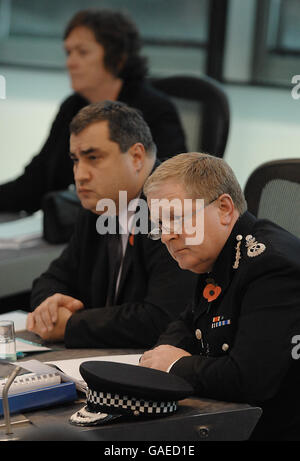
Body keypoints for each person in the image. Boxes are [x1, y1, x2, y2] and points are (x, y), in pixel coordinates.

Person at [139, 152, 300, 441]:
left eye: (176, 219)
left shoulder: (271, 265)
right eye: (160, 225)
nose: (166, 236)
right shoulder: (218, 256)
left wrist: (174, 365)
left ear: (224, 209)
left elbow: (250, 379)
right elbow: (187, 323)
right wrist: (160, 357)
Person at [26, 101, 197, 348]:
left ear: (137, 156)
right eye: (75, 160)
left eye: (93, 158)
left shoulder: (173, 209)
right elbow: (50, 279)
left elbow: (163, 318)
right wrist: (52, 307)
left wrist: (72, 325)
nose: (80, 175)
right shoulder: (99, 207)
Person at [0, 9, 186, 213]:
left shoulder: (155, 110)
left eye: (82, 52)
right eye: (68, 53)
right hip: (69, 231)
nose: (70, 62)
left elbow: (168, 192)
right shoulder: (72, 107)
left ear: (117, 58)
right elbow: (35, 183)